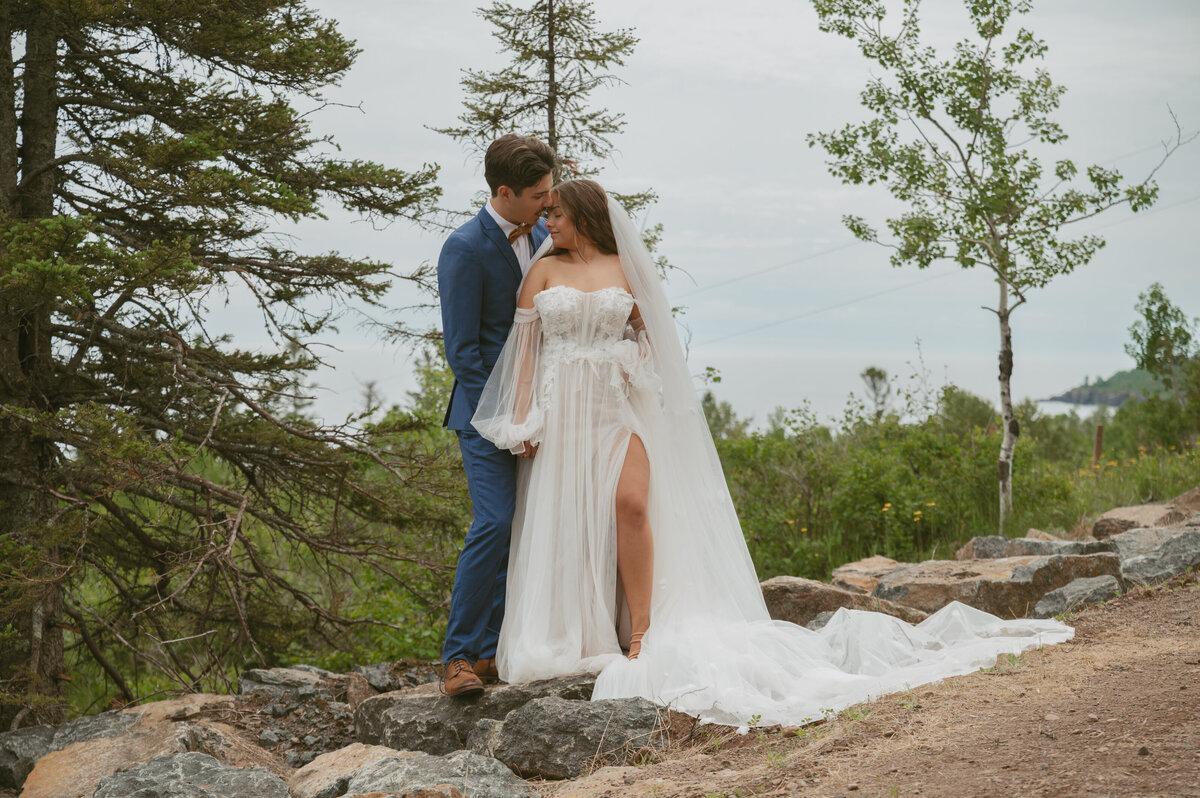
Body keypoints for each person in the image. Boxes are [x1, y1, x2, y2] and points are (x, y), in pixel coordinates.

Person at [471, 179, 1073, 727]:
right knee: (570, 521)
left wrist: (632, 369)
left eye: (556, 213)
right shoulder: (542, 273)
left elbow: (655, 350)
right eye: (545, 213)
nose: (548, 222)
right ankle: (579, 632)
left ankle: (644, 630)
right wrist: (525, 419)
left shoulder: (623, 268)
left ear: (584, 216)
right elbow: (524, 354)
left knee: (631, 505)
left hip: (616, 412)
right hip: (562, 414)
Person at [436, 134, 556, 697]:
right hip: (484, 414)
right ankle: (456, 658)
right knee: (495, 522)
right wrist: (507, 418)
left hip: (544, 409)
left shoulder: (545, 236)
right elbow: (462, 351)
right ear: (503, 192)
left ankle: (493, 650)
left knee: (530, 528)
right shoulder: (464, 247)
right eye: (537, 196)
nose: (547, 204)